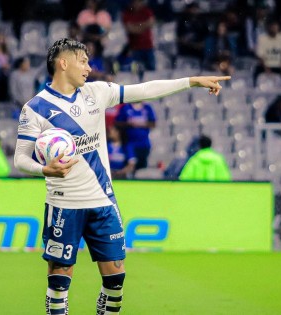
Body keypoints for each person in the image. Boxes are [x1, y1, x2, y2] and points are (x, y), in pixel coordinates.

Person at [14, 38, 229, 314]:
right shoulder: (34, 108)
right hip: (63, 206)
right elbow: (21, 158)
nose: (89, 68)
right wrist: (44, 169)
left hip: (103, 202)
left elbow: (145, 90)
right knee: (58, 284)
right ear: (63, 63)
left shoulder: (96, 93)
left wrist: (192, 81)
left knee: (115, 281)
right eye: (83, 61)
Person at [114, 101, 156, 170]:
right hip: (129, 143)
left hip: (144, 144)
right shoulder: (125, 108)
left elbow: (153, 123)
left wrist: (142, 124)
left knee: (142, 167)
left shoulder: (147, 108)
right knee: (130, 164)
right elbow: (117, 123)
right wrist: (129, 124)